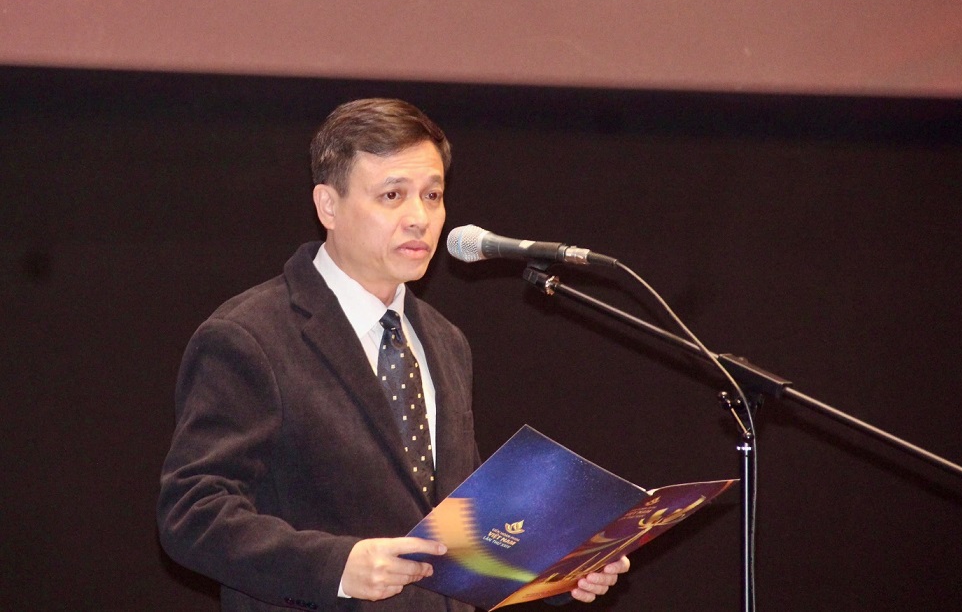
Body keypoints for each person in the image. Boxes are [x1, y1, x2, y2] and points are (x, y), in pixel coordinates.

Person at [157, 98, 629, 611]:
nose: (419, 218)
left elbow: (457, 527)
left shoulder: (445, 340)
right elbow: (193, 512)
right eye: (392, 195)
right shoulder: (250, 336)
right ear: (328, 206)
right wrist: (338, 566)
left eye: (433, 195)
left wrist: (557, 566)